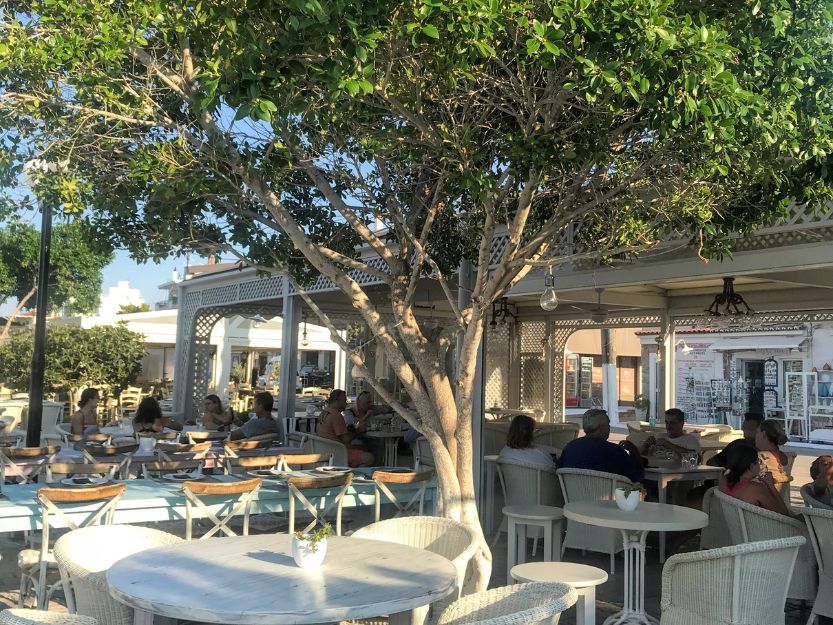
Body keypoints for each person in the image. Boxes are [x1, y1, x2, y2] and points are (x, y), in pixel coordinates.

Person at [557, 409, 644, 482]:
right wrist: (633, 449)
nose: (609, 428)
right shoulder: (614, 450)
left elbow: (558, 470)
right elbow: (637, 476)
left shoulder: (570, 447)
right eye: (608, 425)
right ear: (600, 428)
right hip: (607, 499)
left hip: (573, 498)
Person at [720, 442, 790, 516]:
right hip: (764, 526)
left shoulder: (723, 480)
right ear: (751, 466)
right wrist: (771, 486)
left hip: (735, 524)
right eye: (758, 461)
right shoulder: (756, 488)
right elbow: (783, 513)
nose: (761, 464)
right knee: (801, 518)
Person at [317, 389, 374, 467]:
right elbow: (346, 439)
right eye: (344, 400)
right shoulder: (336, 415)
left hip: (326, 449)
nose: (346, 403)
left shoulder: (324, 412)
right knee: (369, 457)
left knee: (362, 447)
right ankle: (353, 476)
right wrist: (358, 430)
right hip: (338, 452)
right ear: (337, 401)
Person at [756, 419, 790, 486]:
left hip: (761, 493)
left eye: (757, 432)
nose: (755, 436)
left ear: (764, 434)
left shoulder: (761, 457)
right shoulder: (781, 456)